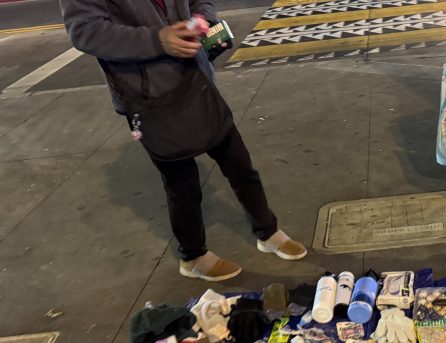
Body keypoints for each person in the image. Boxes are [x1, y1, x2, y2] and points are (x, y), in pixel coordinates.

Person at [60, 0, 306, 282]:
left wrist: (204, 20)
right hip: (148, 95)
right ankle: (193, 257)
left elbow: (200, 2)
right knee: (182, 184)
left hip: (196, 79)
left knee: (239, 163)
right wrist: (158, 39)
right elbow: (85, 31)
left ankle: (268, 231)